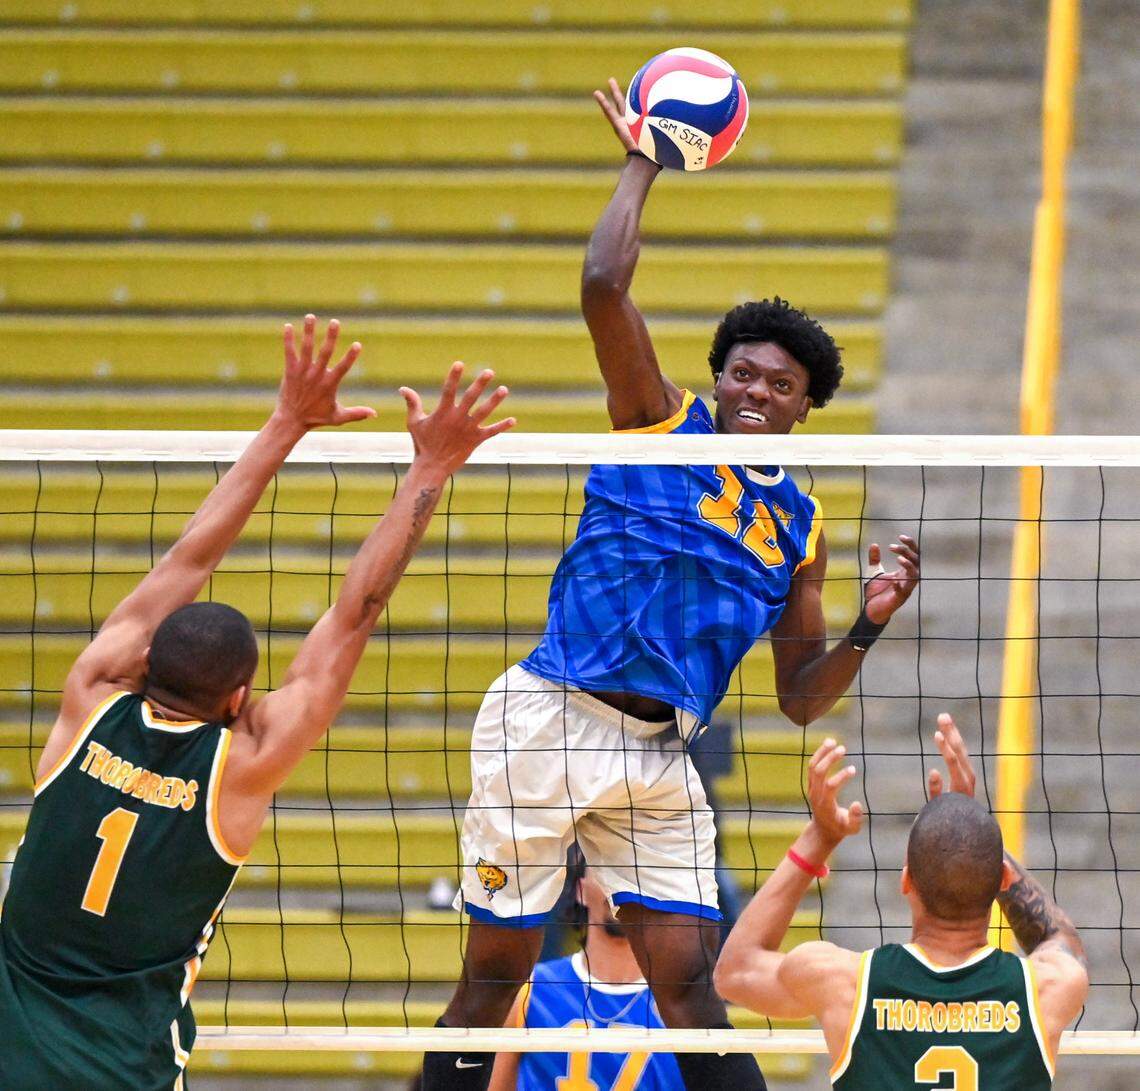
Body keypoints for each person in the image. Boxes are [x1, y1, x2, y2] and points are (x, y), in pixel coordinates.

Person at [425, 79, 921, 1091]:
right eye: (741, 372)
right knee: (495, 973)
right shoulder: (660, 422)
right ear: (717, 376)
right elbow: (604, 286)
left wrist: (867, 630)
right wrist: (647, 156)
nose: (754, 391)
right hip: (552, 718)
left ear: (803, 409)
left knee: (691, 983)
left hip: (660, 753)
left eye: (778, 384)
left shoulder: (801, 527)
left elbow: (796, 697)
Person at [0, 315, 513, 1090]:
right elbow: (355, 611)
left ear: (144, 662)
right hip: (116, 1070)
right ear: (241, 697)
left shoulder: (91, 695)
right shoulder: (240, 765)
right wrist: (431, 466)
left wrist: (286, 421)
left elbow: (189, 554)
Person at [715, 715, 1090, 1088]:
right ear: (1003, 879)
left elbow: (734, 971)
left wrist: (820, 837)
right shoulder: (1048, 987)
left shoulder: (841, 980)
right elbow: (1062, 941)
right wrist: (971, 830)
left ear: (906, 880)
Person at [489, 859, 683, 1091]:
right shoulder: (531, 989)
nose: (620, 889)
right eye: (608, 873)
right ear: (580, 890)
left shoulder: (681, 1001)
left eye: (632, 876)